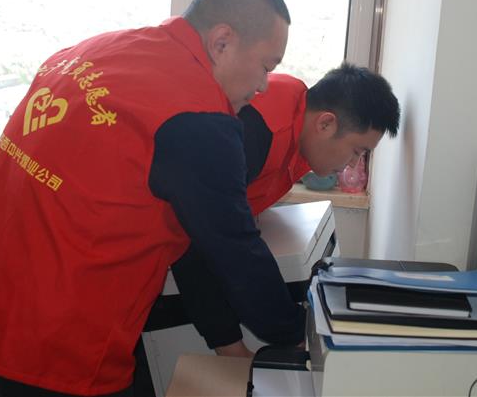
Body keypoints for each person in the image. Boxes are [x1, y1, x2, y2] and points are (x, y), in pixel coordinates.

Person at [0, 0, 307, 397]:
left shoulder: (97, 49)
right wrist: (296, 336)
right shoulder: (199, 117)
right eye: (266, 66)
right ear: (222, 42)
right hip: (47, 354)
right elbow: (236, 249)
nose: (263, 85)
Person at [169, 62, 400, 358]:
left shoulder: (299, 125)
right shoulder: (255, 128)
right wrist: (238, 343)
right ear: (325, 124)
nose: (353, 165)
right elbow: (209, 235)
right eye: (357, 151)